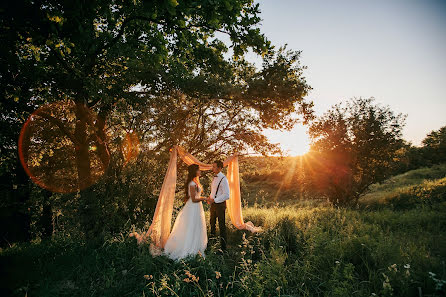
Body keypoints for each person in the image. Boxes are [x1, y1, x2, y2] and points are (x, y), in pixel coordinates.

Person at [163, 164, 208, 260]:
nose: (200, 172)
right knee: (191, 227)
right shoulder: (191, 184)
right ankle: (188, 248)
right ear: (194, 171)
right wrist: (205, 198)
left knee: (196, 227)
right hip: (193, 207)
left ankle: (196, 247)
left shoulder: (195, 182)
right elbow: (193, 199)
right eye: (198, 170)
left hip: (197, 208)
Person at [208, 160, 230, 250]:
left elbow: (226, 195)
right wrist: (210, 198)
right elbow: (214, 191)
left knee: (221, 226)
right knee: (212, 223)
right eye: (212, 166)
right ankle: (212, 244)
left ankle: (223, 248)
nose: (212, 168)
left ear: (220, 168)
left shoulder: (223, 179)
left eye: (214, 166)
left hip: (220, 205)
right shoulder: (214, 177)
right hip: (213, 204)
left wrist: (215, 200)